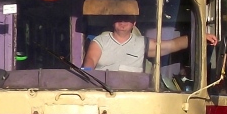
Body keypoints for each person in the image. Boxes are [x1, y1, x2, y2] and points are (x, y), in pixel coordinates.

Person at [83, 8, 217, 73]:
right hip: (103, 92)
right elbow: (90, 61)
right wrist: (85, 78)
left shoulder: (143, 43)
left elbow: (173, 45)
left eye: (127, 19)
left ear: (134, 23)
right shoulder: (100, 40)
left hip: (134, 96)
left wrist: (199, 37)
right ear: (113, 22)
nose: (123, 23)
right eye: (119, 19)